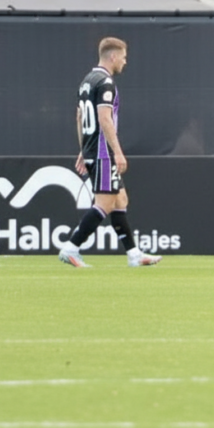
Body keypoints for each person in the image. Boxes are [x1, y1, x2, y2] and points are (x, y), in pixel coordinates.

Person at [59, 37, 161, 268]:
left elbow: (79, 117)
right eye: (123, 57)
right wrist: (118, 152)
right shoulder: (105, 82)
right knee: (104, 203)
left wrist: (83, 148)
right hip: (103, 153)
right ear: (113, 57)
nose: (125, 62)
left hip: (93, 149)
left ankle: (134, 254)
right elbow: (104, 118)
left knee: (120, 199)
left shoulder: (87, 81)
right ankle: (71, 247)